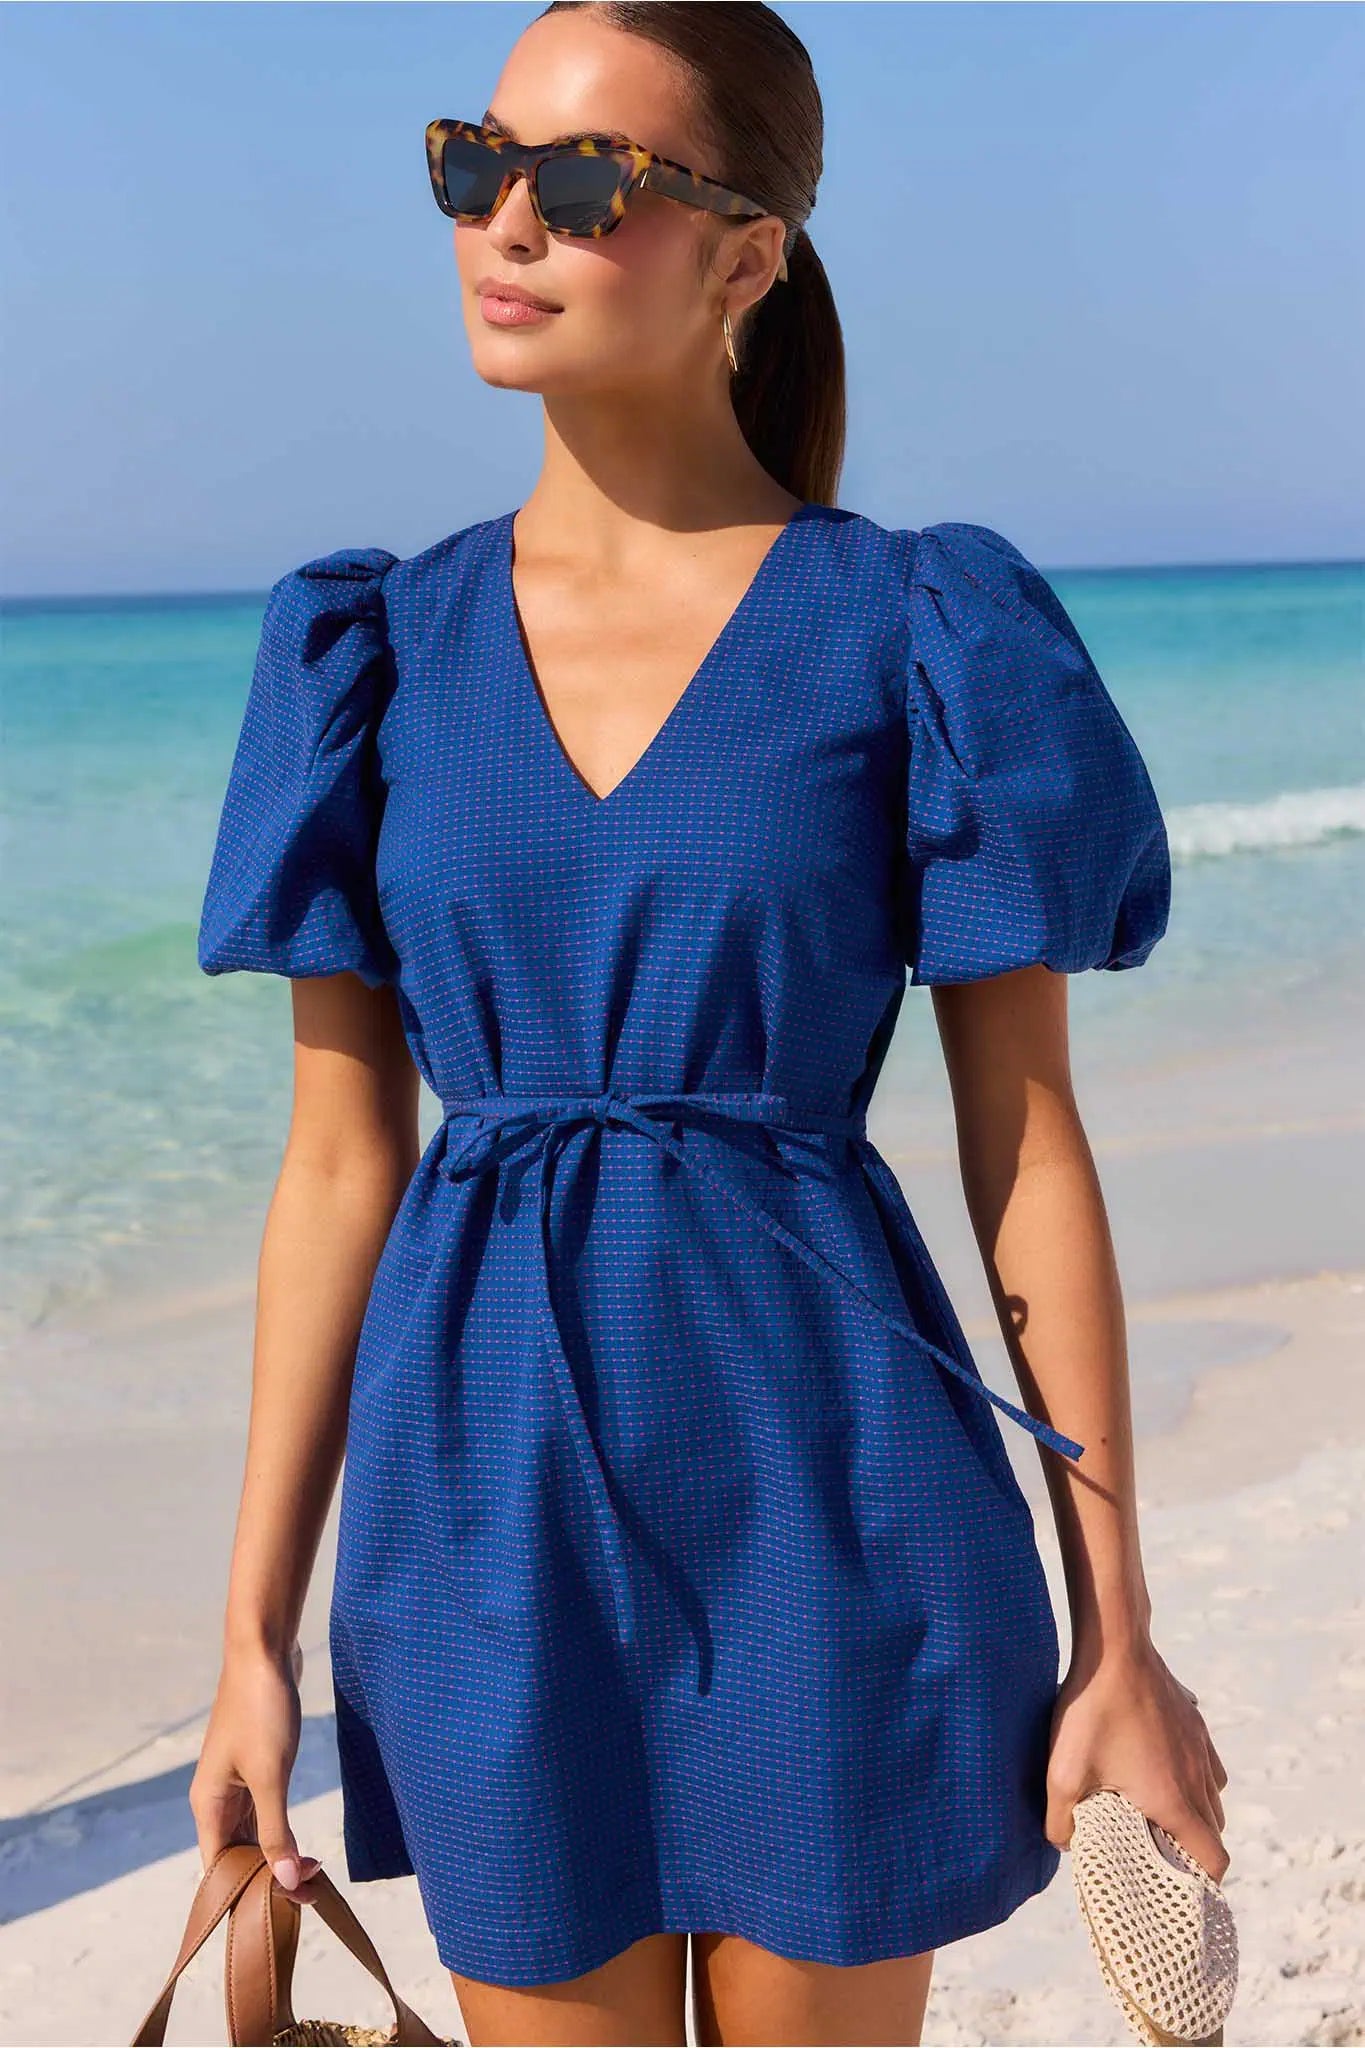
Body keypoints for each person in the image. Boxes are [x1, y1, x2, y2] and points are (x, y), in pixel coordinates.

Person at [188, 4, 1229, 2044]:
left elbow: (1024, 1148)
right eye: (469, 163)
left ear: (743, 256)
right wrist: (247, 1638)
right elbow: (336, 1162)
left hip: (830, 1488)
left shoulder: (920, 626)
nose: (506, 222)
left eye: (583, 185)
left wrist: (1120, 1634)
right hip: (479, 1502)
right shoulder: (367, 654)